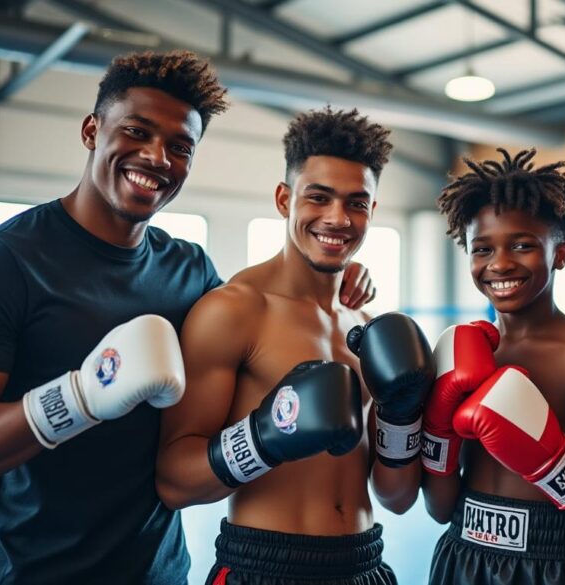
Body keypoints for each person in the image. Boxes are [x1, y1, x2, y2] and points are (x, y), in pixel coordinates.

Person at [0, 51, 374, 585]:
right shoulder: (1, 260)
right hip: (36, 571)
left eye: (180, 147)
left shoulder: (189, 269)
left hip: (160, 570)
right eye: (137, 131)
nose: (157, 157)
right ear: (92, 130)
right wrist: (81, 397)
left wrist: (338, 269)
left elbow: (265, 310)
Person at [156, 107, 434, 585]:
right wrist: (264, 438)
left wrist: (401, 415)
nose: (337, 218)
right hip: (266, 566)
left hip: (366, 564)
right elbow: (174, 481)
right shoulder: (234, 311)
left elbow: (397, 496)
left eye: (356, 203)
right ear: (285, 199)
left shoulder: (365, 326)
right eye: (318, 197)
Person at [421, 148, 565, 585]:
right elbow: (439, 508)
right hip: (458, 558)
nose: (500, 263)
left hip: (553, 566)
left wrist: (554, 466)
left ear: (560, 254)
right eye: (482, 248)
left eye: (523, 245)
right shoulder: (459, 353)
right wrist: (438, 438)